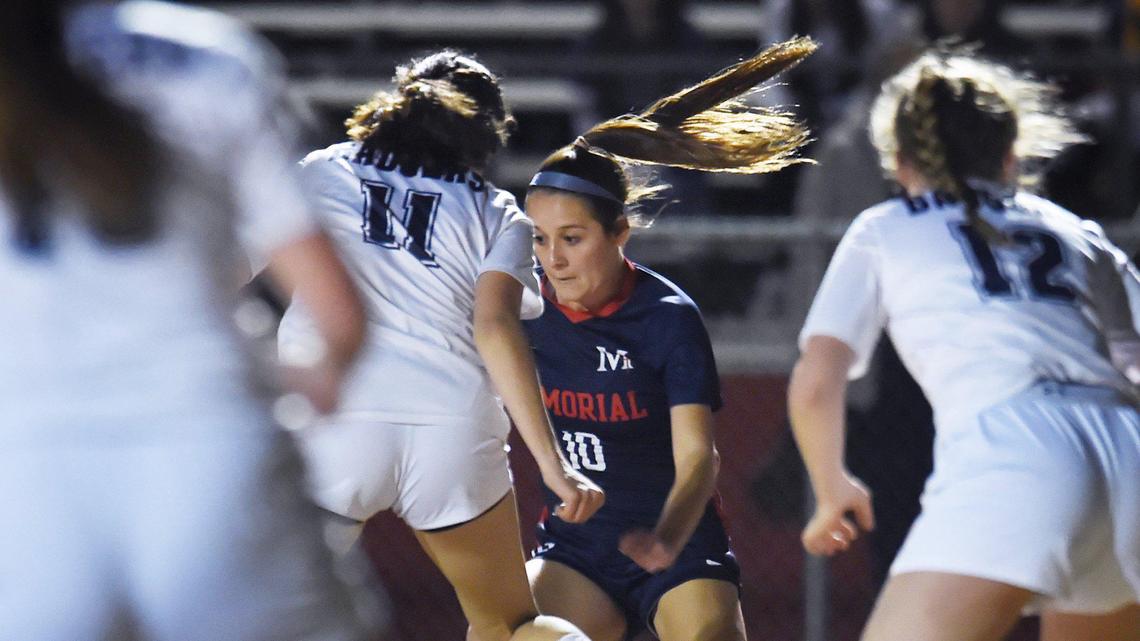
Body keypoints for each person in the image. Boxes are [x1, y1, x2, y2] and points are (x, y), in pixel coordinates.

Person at [0, 1, 376, 640]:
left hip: (23, 466)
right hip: (207, 440)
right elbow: (335, 309)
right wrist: (319, 370)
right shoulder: (209, 56)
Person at [788, 46, 1140, 641]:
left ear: (900, 162)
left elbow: (817, 380)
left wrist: (830, 486)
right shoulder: (1078, 232)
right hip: (1129, 453)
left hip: (1019, 448)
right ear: (1010, 156)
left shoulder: (884, 228)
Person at [278, 50, 604, 641]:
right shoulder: (498, 214)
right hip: (451, 428)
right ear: (486, 135)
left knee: (262, 616)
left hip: (335, 418)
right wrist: (553, 466)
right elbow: (496, 329)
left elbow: (226, 271)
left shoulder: (324, 171)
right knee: (511, 627)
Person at [520, 38, 817, 641]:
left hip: (676, 544)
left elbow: (699, 459)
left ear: (619, 233)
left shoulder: (667, 317)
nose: (554, 259)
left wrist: (666, 538)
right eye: (539, 239)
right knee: (507, 632)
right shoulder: (521, 309)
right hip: (577, 549)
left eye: (572, 238)